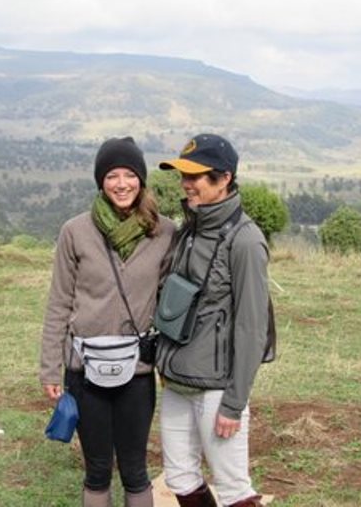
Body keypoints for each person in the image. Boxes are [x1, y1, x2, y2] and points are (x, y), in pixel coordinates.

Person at [39, 137, 175, 507]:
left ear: (141, 180)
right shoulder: (76, 231)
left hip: (139, 370)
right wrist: (51, 368)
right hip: (83, 368)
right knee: (97, 469)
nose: (121, 184)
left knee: (135, 470)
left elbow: (173, 304)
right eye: (111, 175)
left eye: (129, 175)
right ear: (100, 181)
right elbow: (59, 303)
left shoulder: (164, 233)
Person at [155, 134, 270, 507]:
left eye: (196, 176)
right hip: (177, 381)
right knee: (180, 478)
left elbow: (252, 329)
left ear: (224, 179)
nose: (186, 184)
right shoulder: (189, 229)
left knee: (235, 488)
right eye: (183, 176)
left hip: (216, 388)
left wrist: (234, 404)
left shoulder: (246, 240)